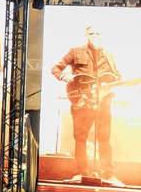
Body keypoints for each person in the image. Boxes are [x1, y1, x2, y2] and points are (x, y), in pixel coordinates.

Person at [51, 25, 123, 182]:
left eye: (98, 33)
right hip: (82, 103)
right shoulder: (75, 52)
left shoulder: (109, 56)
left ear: (103, 35)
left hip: (102, 103)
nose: (94, 36)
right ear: (86, 35)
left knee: (104, 139)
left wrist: (111, 83)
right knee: (81, 138)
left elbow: (117, 76)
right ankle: (81, 173)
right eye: (91, 33)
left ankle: (108, 175)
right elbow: (56, 68)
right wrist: (64, 77)